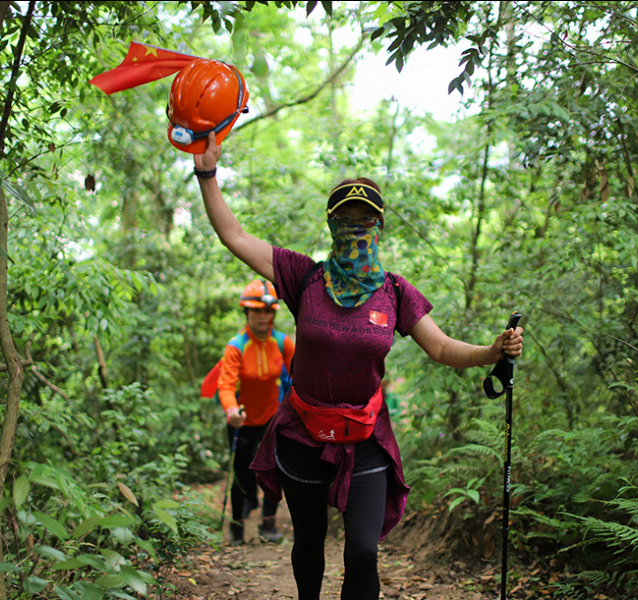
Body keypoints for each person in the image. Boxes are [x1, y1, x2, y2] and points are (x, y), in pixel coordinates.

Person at [193, 131, 523, 599]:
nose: (355, 226)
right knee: (309, 542)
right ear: (331, 224)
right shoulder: (302, 275)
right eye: (345, 218)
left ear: (379, 225)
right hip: (303, 436)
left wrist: (492, 352)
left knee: (362, 552)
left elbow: (444, 348)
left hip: (365, 439)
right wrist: (207, 173)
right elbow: (234, 234)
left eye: (365, 218)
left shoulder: (394, 291)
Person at [217, 280, 295, 545]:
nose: (262, 316)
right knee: (242, 471)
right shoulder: (236, 345)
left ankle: (268, 525)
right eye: (256, 311)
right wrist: (231, 410)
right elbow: (225, 385)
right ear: (247, 313)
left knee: (275, 468)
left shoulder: (283, 343)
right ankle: (237, 529)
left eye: (267, 311)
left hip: (273, 415)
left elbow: (298, 378)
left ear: (274, 313)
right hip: (241, 418)